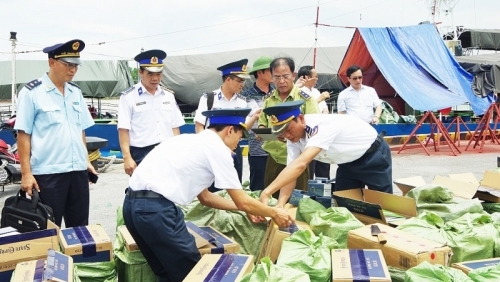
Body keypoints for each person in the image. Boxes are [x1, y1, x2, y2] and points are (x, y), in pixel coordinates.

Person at [123, 108, 293, 282]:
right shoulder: (218, 150)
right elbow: (242, 201)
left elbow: (206, 198)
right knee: (195, 274)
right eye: (240, 137)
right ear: (229, 131)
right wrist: (273, 212)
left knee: (167, 273)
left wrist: (245, 209)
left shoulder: (187, 141)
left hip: (131, 207)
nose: (238, 144)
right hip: (155, 212)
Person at [15, 39, 97, 227]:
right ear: (51, 62)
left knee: (80, 228)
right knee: (49, 230)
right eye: (68, 64)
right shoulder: (32, 92)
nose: (73, 70)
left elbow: (80, 130)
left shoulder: (75, 93)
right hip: (49, 174)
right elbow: (23, 135)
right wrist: (26, 174)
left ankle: (76, 258)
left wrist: (85, 161)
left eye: (76, 65)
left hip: (77, 172)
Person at [258, 100, 393, 208]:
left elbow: (300, 164)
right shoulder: (294, 138)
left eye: (288, 129)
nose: (286, 135)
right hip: (347, 163)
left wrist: (267, 192)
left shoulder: (320, 126)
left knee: (383, 206)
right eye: (281, 133)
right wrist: (280, 204)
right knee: (345, 205)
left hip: (372, 156)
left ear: (301, 119)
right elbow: (291, 173)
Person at [194, 59, 261, 191]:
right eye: (239, 80)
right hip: (212, 151)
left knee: (234, 188)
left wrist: (254, 118)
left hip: (234, 151)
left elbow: (242, 129)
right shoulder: (208, 99)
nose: (242, 84)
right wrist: (211, 146)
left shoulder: (242, 101)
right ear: (228, 80)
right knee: (212, 190)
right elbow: (199, 127)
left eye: (243, 81)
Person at [257, 57, 319, 196]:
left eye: (285, 76)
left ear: (293, 75)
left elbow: (316, 130)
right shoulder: (269, 100)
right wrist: (273, 133)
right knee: (272, 200)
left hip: (299, 161)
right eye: (277, 77)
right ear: (272, 78)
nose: (281, 81)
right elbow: (261, 128)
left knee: (298, 200)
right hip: (274, 159)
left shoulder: (305, 99)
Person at [118, 49, 184, 176]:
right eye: (150, 74)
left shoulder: (168, 96)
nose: (155, 78)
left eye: (159, 74)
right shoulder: (128, 97)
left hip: (167, 151)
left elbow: (175, 127)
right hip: (141, 154)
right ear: (141, 72)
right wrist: (127, 158)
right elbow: (123, 130)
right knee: (144, 193)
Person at [240, 56, 274, 191]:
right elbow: (253, 125)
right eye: (271, 70)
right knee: (258, 188)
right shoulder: (246, 96)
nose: (274, 74)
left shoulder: (278, 93)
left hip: (277, 151)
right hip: (258, 151)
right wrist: (276, 133)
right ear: (260, 73)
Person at [297, 65, 331, 179]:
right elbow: (304, 110)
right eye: (315, 77)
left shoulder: (315, 91)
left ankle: (323, 190)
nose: (317, 79)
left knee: (323, 165)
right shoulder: (299, 91)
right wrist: (320, 98)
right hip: (308, 132)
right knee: (309, 166)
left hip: (321, 130)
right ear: (306, 77)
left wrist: (325, 112)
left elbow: (324, 108)